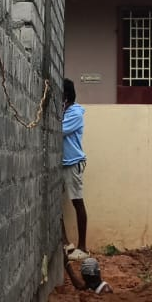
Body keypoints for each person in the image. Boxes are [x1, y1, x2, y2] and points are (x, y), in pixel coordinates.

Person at [62, 77, 88, 255]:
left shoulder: (75, 114)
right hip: (61, 163)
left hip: (72, 163)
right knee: (55, 205)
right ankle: (65, 243)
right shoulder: (64, 112)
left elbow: (59, 130)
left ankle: (82, 247)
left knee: (77, 202)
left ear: (65, 96)